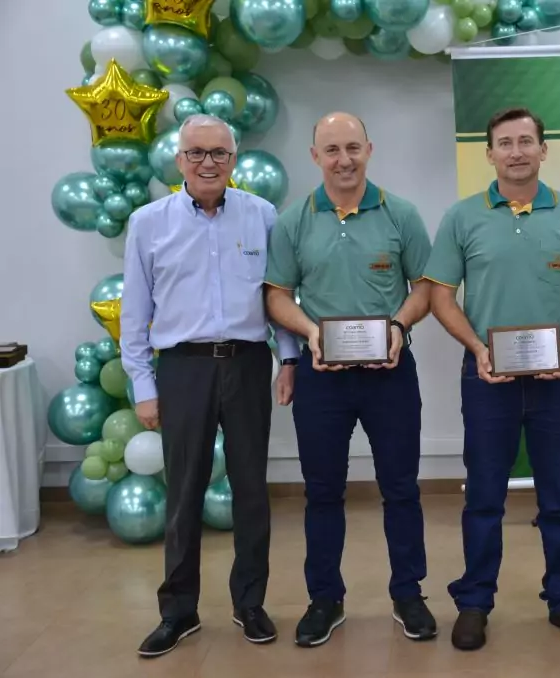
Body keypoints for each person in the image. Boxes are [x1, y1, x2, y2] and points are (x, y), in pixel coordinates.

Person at [423, 107, 560, 651]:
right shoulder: (462, 217)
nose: (517, 151)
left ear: (544, 150)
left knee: (558, 497)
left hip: (555, 379)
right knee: (483, 497)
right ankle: (475, 601)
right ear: (490, 154)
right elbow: (439, 296)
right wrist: (478, 347)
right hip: (486, 379)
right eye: (506, 143)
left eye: (527, 141)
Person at [121, 114, 301, 657]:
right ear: (179, 161)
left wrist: (288, 359)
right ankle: (178, 611)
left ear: (233, 160)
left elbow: (278, 297)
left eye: (219, 154)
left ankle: (249, 603)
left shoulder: (262, 215)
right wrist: (143, 386)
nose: (207, 163)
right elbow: (135, 313)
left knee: (250, 490)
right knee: (183, 494)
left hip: (247, 364)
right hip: (183, 368)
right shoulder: (149, 223)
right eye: (196, 153)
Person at [263, 112, 436, 647]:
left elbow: (426, 286)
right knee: (322, 493)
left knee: (402, 489)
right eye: (332, 149)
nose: (344, 159)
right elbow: (276, 296)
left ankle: (408, 594)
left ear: (370, 150)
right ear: (315, 157)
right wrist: (310, 333)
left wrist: (400, 327)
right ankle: (325, 599)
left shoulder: (401, 215)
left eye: (353, 148)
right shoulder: (294, 221)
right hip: (321, 378)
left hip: (389, 373)